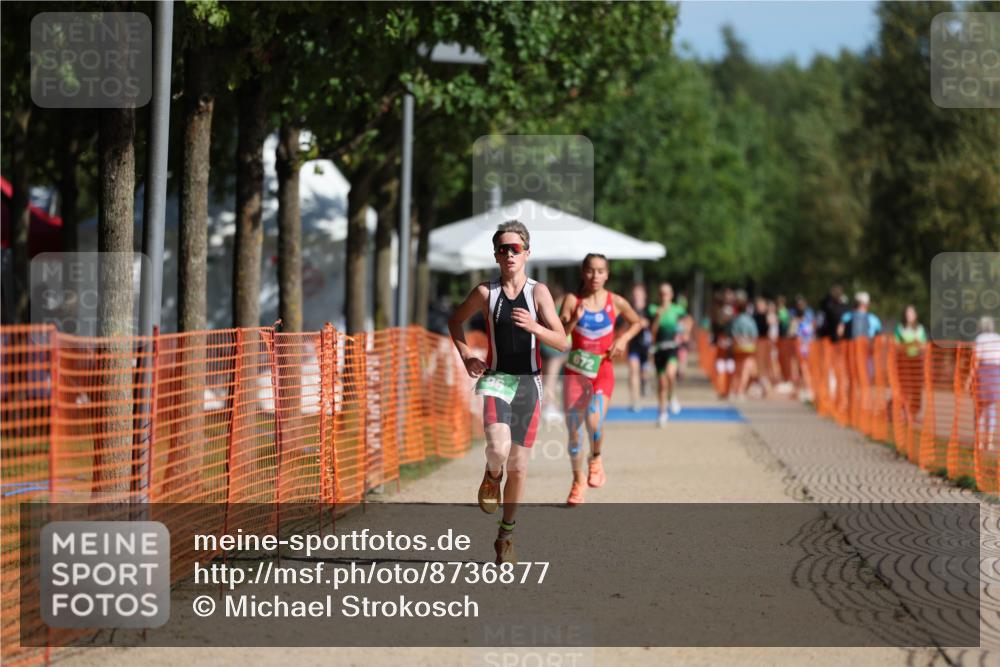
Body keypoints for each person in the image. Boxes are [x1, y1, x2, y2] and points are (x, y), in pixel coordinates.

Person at [448, 221, 568, 563]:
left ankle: (506, 537)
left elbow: (562, 341)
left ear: (527, 253)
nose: (510, 254)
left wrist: (535, 327)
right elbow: (455, 321)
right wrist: (466, 355)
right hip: (498, 378)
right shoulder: (486, 293)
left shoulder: (538, 293)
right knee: (498, 449)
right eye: (503, 249)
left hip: (529, 383)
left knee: (519, 467)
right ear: (496, 255)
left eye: (515, 249)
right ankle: (492, 473)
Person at [561, 254, 642, 505]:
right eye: (590, 270)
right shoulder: (572, 300)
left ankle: (595, 458)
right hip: (576, 374)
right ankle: (578, 480)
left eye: (600, 271)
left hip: (602, 371)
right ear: (583, 273)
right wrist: (574, 320)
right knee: (574, 433)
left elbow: (637, 322)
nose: (594, 276)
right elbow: (560, 337)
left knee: (594, 421)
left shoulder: (615, 301)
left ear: (607, 275)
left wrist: (622, 339)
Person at [650, 282, 688, 427]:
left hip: (672, 347)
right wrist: (658, 316)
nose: (664, 296)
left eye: (666, 293)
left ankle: (672, 397)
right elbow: (653, 332)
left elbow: (687, 320)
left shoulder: (677, 309)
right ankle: (662, 413)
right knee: (661, 383)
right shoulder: (653, 309)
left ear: (671, 295)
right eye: (661, 293)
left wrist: (685, 333)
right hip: (659, 349)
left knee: (671, 375)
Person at [968, 316, 1000, 451]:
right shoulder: (998, 338)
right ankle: (990, 441)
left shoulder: (980, 339)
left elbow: (976, 361)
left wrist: (970, 379)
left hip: (983, 374)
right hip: (996, 375)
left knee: (979, 409)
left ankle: (979, 442)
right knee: (991, 409)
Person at [540, 284, 570, 422]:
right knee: (551, 379)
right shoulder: (558, 309)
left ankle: (547, 405)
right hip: (555, 348)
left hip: (546, 346)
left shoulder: (544, 307)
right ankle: (548, 406)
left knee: (547, 378)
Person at [893, 305, 927, 423]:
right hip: (903, 361)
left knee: (917, 388)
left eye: (911, 313)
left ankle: (914, 412)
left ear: (915, 315)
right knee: (905, 387)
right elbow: (896, 345)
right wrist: (908, 345)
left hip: (916, 360)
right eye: (907, 313)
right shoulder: (899, 328)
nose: (909, 315)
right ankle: (905, 412)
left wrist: (918, 345)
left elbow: (924, 345)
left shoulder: (920, 329)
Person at [623, 283, 652, 412]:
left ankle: (645, 382)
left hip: (646, 347)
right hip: (634, 345)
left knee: (644, 373)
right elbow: (624, 325)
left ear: (644, 295)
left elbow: (653, 324)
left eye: (639, 294)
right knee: (633, 371)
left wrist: (647, 323)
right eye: (635, 294)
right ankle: (635, 400)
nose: (637, 297)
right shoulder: (629, 310)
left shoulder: (650, 309)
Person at [729, 291, 760, 400]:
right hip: (749, 348)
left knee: (737, 370)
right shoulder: (750, 320)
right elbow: (755, 335)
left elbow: (733, 334)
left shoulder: (736, 320)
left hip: (738, 347)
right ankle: (740, 391)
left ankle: (733, 390)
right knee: (745, 370)